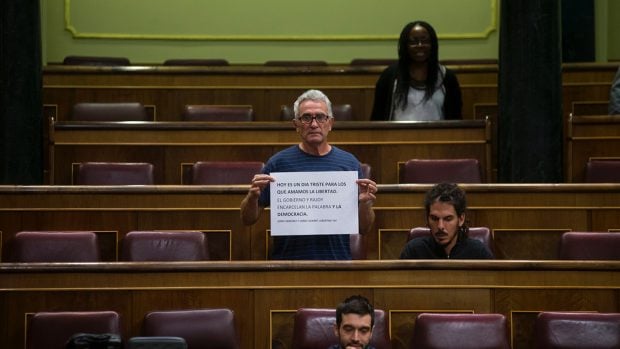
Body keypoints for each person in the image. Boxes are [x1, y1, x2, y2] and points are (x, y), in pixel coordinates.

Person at [240, 89, 377, 260]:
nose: (313, 124)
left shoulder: (349, 163)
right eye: (306, 118)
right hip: (288, 265)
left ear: (330, 123)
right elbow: (247, 219)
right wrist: (252, 198)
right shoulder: (278, 163)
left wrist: (365, 204)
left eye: (320, 117)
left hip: (336, 265)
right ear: (296, 124)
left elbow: (364, 229)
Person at [370, 20, 462, 121]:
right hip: (397, 135)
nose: (419, 45)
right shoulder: (389, 77)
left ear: (433, 45)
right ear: (405, 46)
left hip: (439, 135)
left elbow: (456, 119)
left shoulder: (447, 77)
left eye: (425, 41)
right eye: (413, 42)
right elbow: (377, 118)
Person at [400, 182, 494, 259]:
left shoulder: (479, 253)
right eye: (434, 218)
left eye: (448, 219)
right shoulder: (413, 252)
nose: (440, 226)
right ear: (427, 219)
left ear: (461, 219)